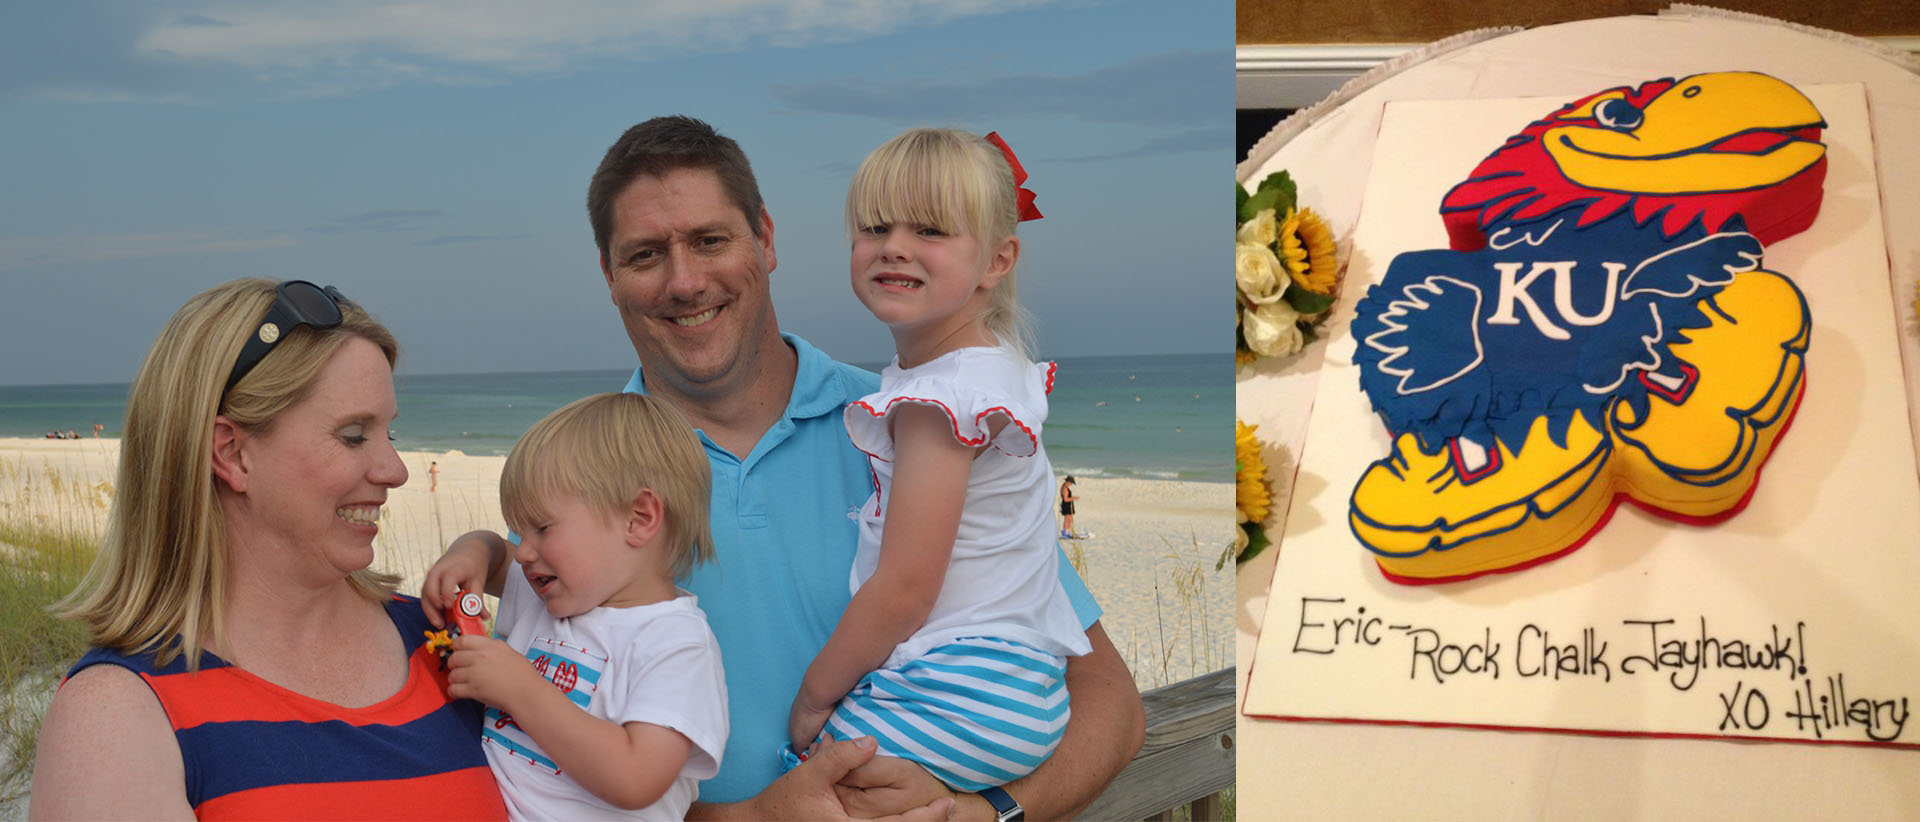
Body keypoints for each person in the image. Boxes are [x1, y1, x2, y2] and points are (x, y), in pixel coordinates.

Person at [584, 114, 1142, 820]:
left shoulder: (905, 422)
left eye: (710, 241)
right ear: (608, 276)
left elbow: (1109, 701)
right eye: (644, 255)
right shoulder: (579, 476)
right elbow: (545, 767)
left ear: (766, 238)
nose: (686, 282)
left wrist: (989, 811)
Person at [30, 278, 506, 819]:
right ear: (232, 454)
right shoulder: (119, 714)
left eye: (389, 435)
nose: (394, 471)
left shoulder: (443, 645)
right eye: (353, 435)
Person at [781, 127, 1091, 794]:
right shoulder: (996, 371)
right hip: (1026, 687)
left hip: (958, 685)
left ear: (997, 261)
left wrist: (814, 694)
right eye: (874, 226)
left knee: (805, 783)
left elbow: (905, 589)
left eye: (930, 230)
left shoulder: (937, 401)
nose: (895, 245)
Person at [421, 392, 728, 821]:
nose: (524, 551)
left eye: (542, 528)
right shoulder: (552, 594)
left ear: (638, 519)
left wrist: (521, 689)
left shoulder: (676, 643)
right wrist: (469, 551)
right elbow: (494, 553)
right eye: (518, 530)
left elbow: (636, 777)